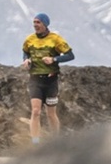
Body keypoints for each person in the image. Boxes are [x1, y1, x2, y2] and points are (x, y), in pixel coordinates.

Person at [21, 12, 74, 144]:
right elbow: (25, 52)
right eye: (34, 22)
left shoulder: (56, 39)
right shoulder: (29, 39)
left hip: (51, 81)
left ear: (45, 24)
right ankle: (35, 143)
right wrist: (26, 60)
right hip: (35, 80)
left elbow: (70, 55)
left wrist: (54, 59)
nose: (35, 25)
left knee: (51, 114)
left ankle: (55, 142)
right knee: (36, 111)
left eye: (38, 22)